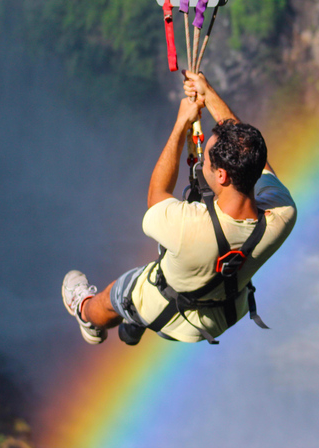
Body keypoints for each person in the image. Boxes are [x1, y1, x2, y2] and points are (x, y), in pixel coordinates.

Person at [61, 71, 297, 344]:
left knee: (115, 294)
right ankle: (134, 324)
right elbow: (251, 153)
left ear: (222, 176)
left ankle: (85, 314)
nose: (202, 162)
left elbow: (156, 198)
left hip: (166, 311)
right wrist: (207, 94)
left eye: (207, 160)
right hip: (224, 313)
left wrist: (180, 125)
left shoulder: (189, 226)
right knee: (177, 260)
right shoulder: (283, 213)